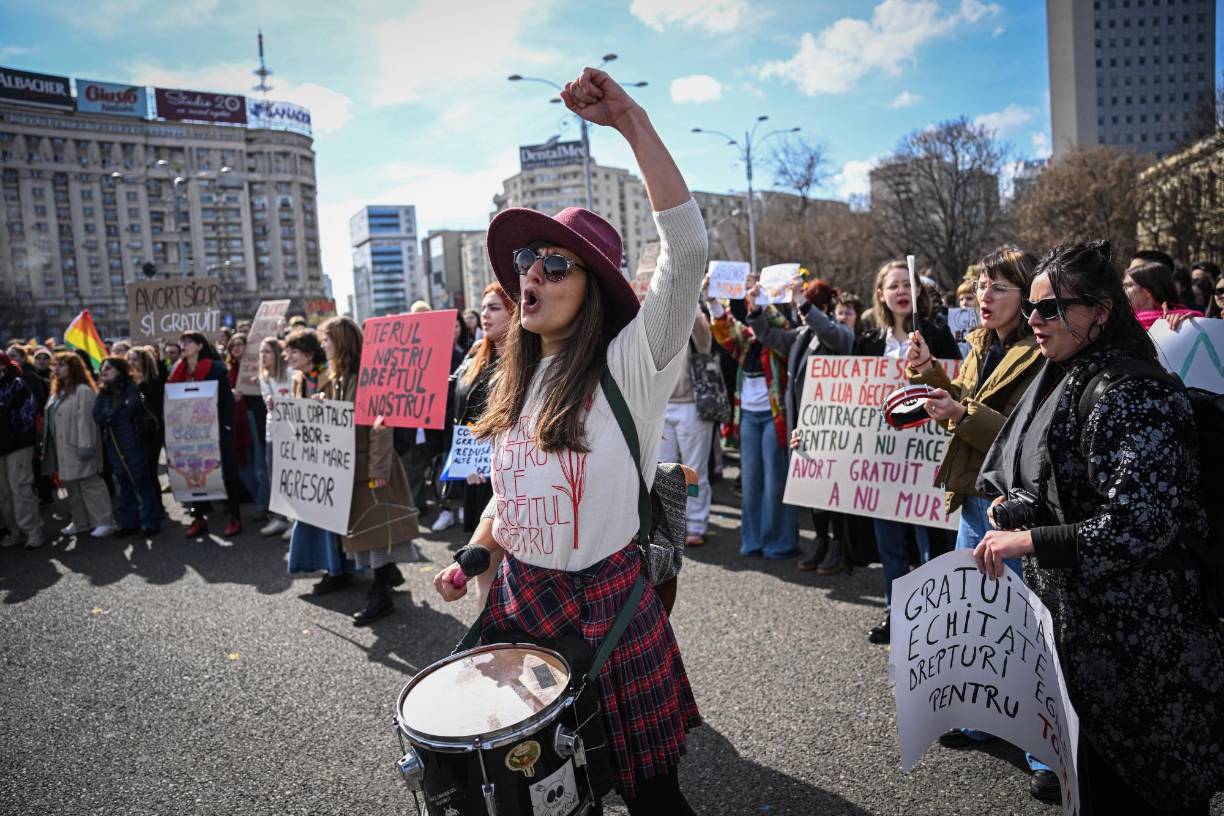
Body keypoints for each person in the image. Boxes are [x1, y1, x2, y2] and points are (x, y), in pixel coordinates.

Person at [433, 67, 704, 814]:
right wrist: (475, 555)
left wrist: (630, 121)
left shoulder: (633, 363)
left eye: (555, 264)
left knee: (653, 799)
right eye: (526, 261)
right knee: (540, 797)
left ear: (594, 288)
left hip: (608, 609)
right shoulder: (515, 378)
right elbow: (510, 490)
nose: (532, 273)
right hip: (522, 605)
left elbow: (686, 249)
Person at [976, 240, 1224, 815]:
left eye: (1051, 308)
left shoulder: (1133, 394)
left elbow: (1140, 523)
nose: (1035, 320)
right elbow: (1061, 484)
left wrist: (1030, 539)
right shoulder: (1066, 376)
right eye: (1032, 308)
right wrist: (1015, 509)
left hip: (1145, 654)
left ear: (1101, 312)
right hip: (1090, 648)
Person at [904, 247, 1057, 801]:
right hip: (973, 497)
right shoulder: (981, 344)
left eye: (997, 287)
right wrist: (931, 373)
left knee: (1022, 623)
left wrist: (960, 414)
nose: (983, 297)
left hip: (1014, 506)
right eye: (979, 287)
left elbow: (1023, 436)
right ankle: (980, 718)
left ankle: (1045, 752)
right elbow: (965, 401)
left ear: (1026, 295)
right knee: (976, 617)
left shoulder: (1040, 351)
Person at [854, 259, 959, 645]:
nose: (901, 291)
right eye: (893, 285)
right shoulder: (867, 341)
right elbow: (850, 400)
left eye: (906, 285)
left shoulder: (938, 336)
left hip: (926, 458)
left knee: (931, 542)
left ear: (917, 293)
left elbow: (954, 385)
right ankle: (895, 611)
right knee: (890, 543)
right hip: (884, 462)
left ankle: (935, 618)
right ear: (881, 295)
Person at [318, 316, 420, 624]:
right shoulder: (335, 378)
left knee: (377, 533)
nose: (323, 345)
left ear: (341, 343)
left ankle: (381, 594)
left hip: (371, 468)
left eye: (327, 339)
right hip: (352, 467)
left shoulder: (368, 377)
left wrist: (378, 470)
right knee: (369, 532)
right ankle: (387, 577)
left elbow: (382, 427)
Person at [751, 276, 854, 572]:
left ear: (822, 307)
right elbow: (768, 336)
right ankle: (820, 541)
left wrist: (803, 303)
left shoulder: (838, 332)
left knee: (832, 488)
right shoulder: (802, 335)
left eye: (807, 304)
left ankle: (838, 545)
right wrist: (755, 310)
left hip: (832, 425)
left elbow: (835, 337)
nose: (799, 310)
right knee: (813, 487)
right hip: (805, 425)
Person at [450, 283, 514, 535]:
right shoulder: (477, 351)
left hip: (506, 474)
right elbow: (455, 394)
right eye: (483, 308)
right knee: (477, 548)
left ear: (514, 312)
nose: (484, 315)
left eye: (494, 308)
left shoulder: (525, 362)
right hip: (473, 470)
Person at [286, 328, 349, 579]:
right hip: (309, 455)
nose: (288, 356)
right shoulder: (297, 378)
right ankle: (326, 567)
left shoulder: (330, 376)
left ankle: (338, 570)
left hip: (329, 456)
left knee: (330, 516)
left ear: (309, 354)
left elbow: (341, 415)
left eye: (294, 351)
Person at [167, 332, 243, 538]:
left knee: (227, 471)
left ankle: (235, 517)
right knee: (193, 471)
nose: (183, 345)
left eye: (188, 342)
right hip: (190, 432)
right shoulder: (178, 371)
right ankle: (199, 517)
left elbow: (226, 401)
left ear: (200, 346)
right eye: (181, 342)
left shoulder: (216, 369)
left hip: (217, 429)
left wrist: (226, 427)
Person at [660, 294, 715, 547]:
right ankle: (668, 526)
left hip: (692, 406)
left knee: (694, 471)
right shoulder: (656, 324)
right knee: (664, 473)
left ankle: (696, 524)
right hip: (661, 407)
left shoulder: (696, 322)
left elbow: (704, 336)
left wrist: (688, 297)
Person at [43, 352, 115, 538]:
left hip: (78, 445)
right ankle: (80, 521)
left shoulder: (83, 390)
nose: (56, 369)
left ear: (73, 368)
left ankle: (104, 521)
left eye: (62, 365)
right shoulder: (58, 391)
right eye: (55, 365)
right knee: (71, 486)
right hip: (62, 447)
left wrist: (86, 445)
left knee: (90, 483)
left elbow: (87, 421)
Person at [93, 356, 163, 536]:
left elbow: (134, 406)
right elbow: (97, 416)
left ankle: (150, 523)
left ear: (119, 370)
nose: (103, 371)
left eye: (108, 368)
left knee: (141, 480)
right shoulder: (104, 392)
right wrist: (113, 413)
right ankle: (129, 524)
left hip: (134, 441)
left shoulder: (133, 387)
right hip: (114, 443)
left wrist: (112, 413)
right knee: (123, 483)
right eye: (102, 368)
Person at [0, 353, 43, 549]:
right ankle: (14, 531)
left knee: (20, 487)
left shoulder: (17, 384)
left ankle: (33, 531)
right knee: (4, 493)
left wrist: (14, 434)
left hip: (18, 445)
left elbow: (28, 412)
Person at [257, 338, 293, 536]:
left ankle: (295, 522)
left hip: (293, 434)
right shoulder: (263, 377)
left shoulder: (290, 373)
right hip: (273, 432)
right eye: (261, 352)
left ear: (278, 354)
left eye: (267, 352)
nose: (263, 356)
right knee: (275, 477)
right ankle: (279, 518)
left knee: (292, 477)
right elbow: (268, 405)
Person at [1123, 262, 1202, 329]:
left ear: (1147, 292)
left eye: (1128, 285)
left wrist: (1186, 327)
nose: (1123, 290)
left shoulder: (1184, 322)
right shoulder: (1122, 325)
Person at [126, 346, 165, 467]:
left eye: (135, 359)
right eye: (129, 359)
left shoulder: (153, 381)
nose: (131, 362)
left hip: (151, 429)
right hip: (133, 430)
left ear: (144, 362)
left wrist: (138, 390)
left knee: (150, 466)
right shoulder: (127, 382)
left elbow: (144, 399)